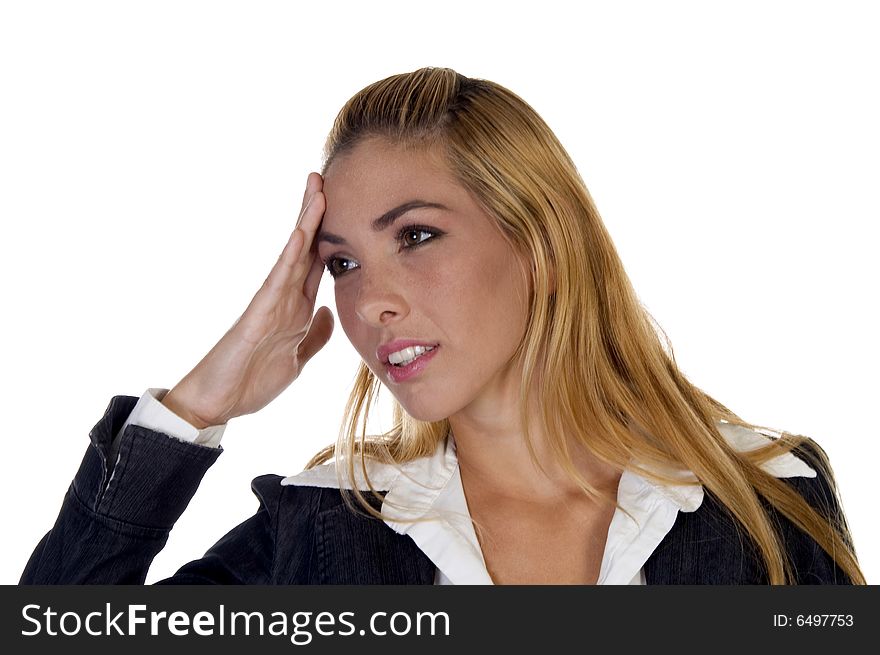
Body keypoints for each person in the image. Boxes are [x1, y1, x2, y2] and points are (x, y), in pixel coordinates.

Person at [21, 67, 864, 585]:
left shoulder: (764, 494)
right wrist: (199, 405)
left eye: (416, 236)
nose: (368, 302)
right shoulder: (321, 526)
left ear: (539, 241)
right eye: (341, 262)